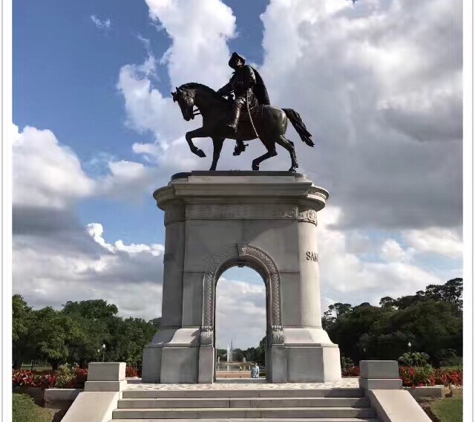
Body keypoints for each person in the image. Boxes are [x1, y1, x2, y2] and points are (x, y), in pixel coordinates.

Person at [217, 52, 270, 154]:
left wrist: (242, 84)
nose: (236, 62)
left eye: (237, 60)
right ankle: (239, 143)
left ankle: (233, 125)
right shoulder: (234, 77)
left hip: (248, 96)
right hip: (240, 97)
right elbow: (228, 86)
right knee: (227, 110)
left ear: (241, 61)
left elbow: (252, 80)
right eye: (234, 61)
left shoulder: (247, 68)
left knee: (237, 104)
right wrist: (219, 92)